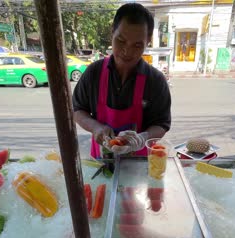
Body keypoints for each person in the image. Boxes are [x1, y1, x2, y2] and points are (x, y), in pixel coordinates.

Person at [72, 3, 171, 159]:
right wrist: (96, 127)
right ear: (112, 32)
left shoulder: (156, 81)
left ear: (148, 41)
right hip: (101, 161)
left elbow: (162, 124)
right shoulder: (94, 73)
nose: (127, 51)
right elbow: (77, 110)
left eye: (137, 45)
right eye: (121, 41)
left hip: (138, 165)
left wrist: (142, 137)